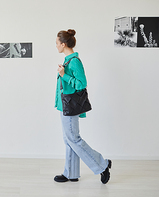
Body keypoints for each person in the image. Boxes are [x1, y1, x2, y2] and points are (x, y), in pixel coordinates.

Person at [54, 29, 112, 184]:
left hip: (70, 106)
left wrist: (63, 75)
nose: (56, 46)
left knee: (74, 139)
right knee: (69, 140)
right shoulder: (68, 60)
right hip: (64, 106)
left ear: (63, 44)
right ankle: (71, 173)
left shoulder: (74, 62)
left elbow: (81, 84)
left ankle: (102, 165)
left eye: (57, 43)